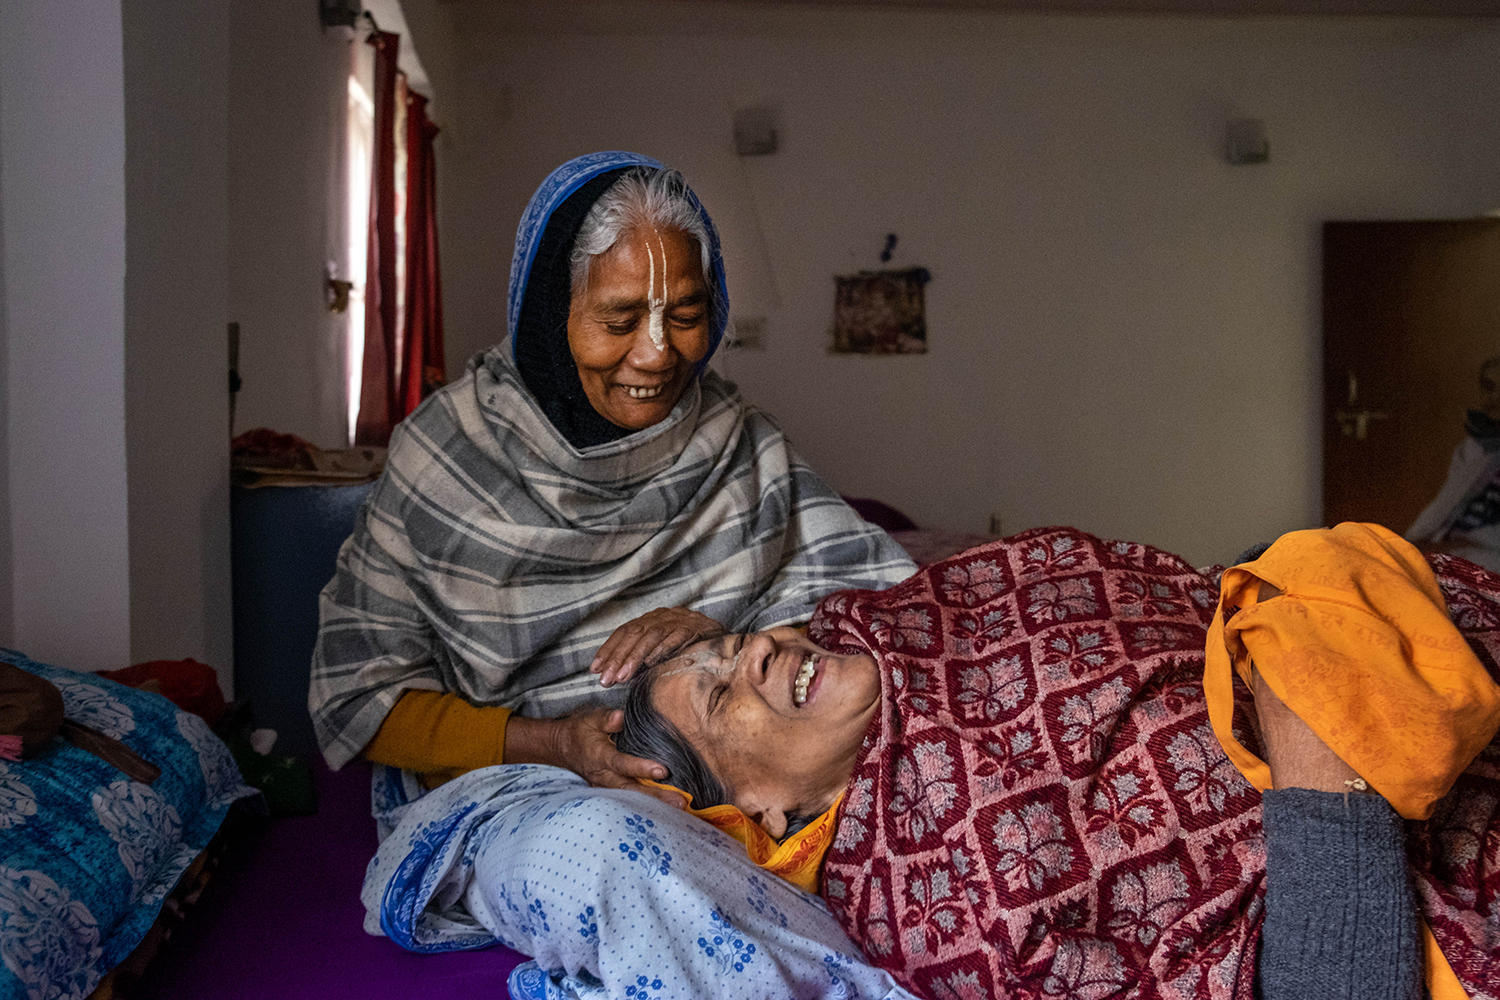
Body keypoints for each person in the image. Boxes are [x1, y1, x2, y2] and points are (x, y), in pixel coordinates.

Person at [616, 524, 1500, 1000]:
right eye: (722, 697)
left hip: (1418, 661)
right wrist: (1310, 703)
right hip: (1374, 845)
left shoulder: (921, 607)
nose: (757, 655)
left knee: (1312, 567)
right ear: (764, 809)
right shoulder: (941, 914)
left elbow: (1180, 591)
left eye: (732, 645)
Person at [308, 151, 914, 811]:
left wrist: (721, 636)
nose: (656, 354)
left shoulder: (742, 446)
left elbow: (890, 605)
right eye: (619, 321)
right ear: (549, 318)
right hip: (525, 790)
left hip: (736, 794)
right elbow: (361, 694)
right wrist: (554, 743)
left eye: (685, 315)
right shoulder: (444, 457)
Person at [1408, 354, 1500, 571]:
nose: (1494, 398)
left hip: (1485, 553)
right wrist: (1413, 541)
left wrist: (1455, 545)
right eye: (1488, 387)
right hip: (1451, 546)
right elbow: (1444, 504)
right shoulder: (1475, 447)